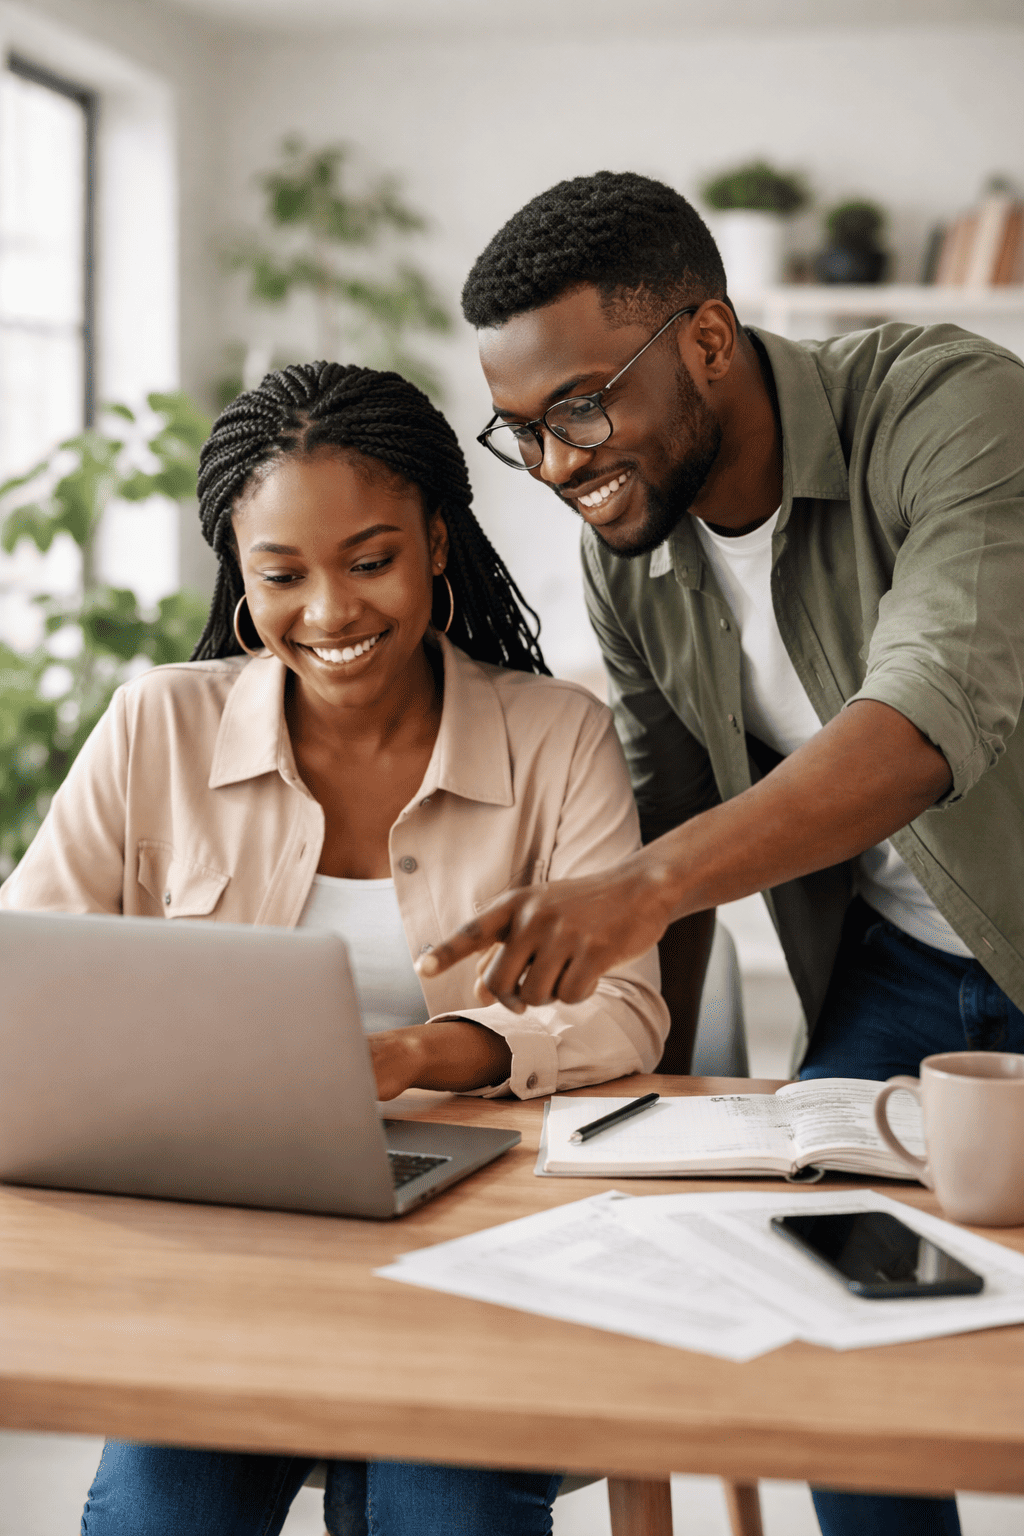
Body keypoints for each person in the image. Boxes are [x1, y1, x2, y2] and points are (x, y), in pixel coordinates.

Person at [420, 170, 1024, 1536]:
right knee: (826, 1325)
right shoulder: (630, 553)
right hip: (901, 984)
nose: (561, 465)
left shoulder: (950, 406)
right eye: (522, 432)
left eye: (580, 407)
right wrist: (649, 1094)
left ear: (704, 337)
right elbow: (667, 797)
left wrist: (641, 882)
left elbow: (929, 713)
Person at [0, 360, 668, 1536]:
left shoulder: (554, 734)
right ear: (241, 577)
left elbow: (622, 1009)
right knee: (161, 1518)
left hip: (490, 1246)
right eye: (282, 575)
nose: (331, 612)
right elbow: (26, 972)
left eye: (371, 560)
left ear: (438, 546)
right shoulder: (158, 722)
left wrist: (418, 1054)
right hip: (224, 1244)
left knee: (439, 1515)